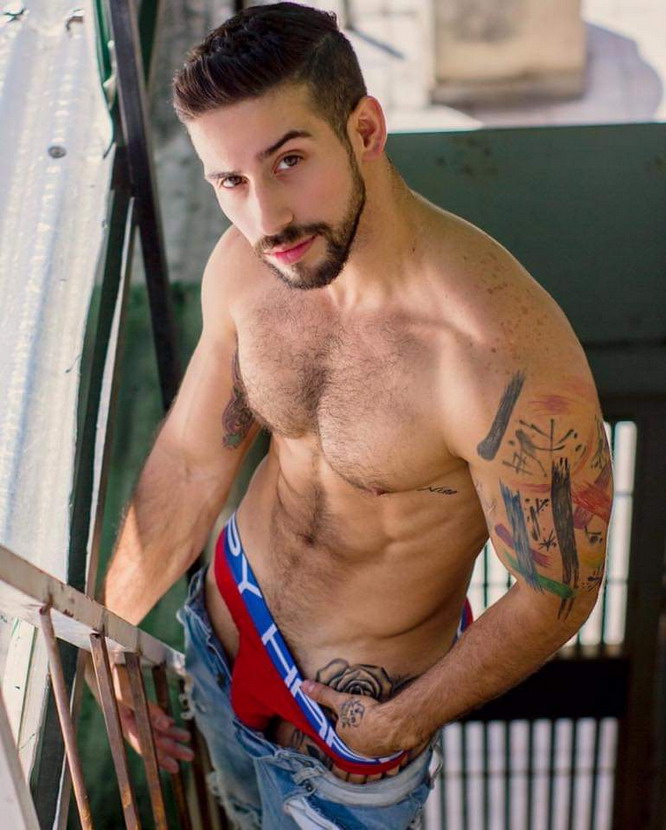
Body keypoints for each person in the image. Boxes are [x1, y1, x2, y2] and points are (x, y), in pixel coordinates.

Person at [98, 3, 613, 828]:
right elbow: (194, 461)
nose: (266, 218)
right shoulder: (248, 269)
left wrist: (399, 725)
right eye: (231, 182)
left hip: (354, 730)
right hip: (220, 634)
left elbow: (557, 592)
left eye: (289, 160)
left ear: (366, 129)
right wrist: (108, 627)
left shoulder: (494, 354)